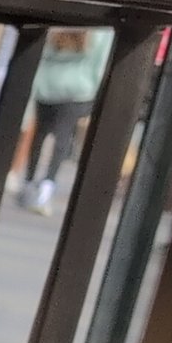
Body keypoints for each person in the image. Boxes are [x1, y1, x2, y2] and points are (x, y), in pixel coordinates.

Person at [24, 28, 111, 214]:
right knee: (62, 138)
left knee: (40, 135)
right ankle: (47, 184)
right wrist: (95, 91)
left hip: (47, 86)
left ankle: (29, 181)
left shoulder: (59, 27)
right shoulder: (101, 32)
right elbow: (100, 63)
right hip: (78, 90)